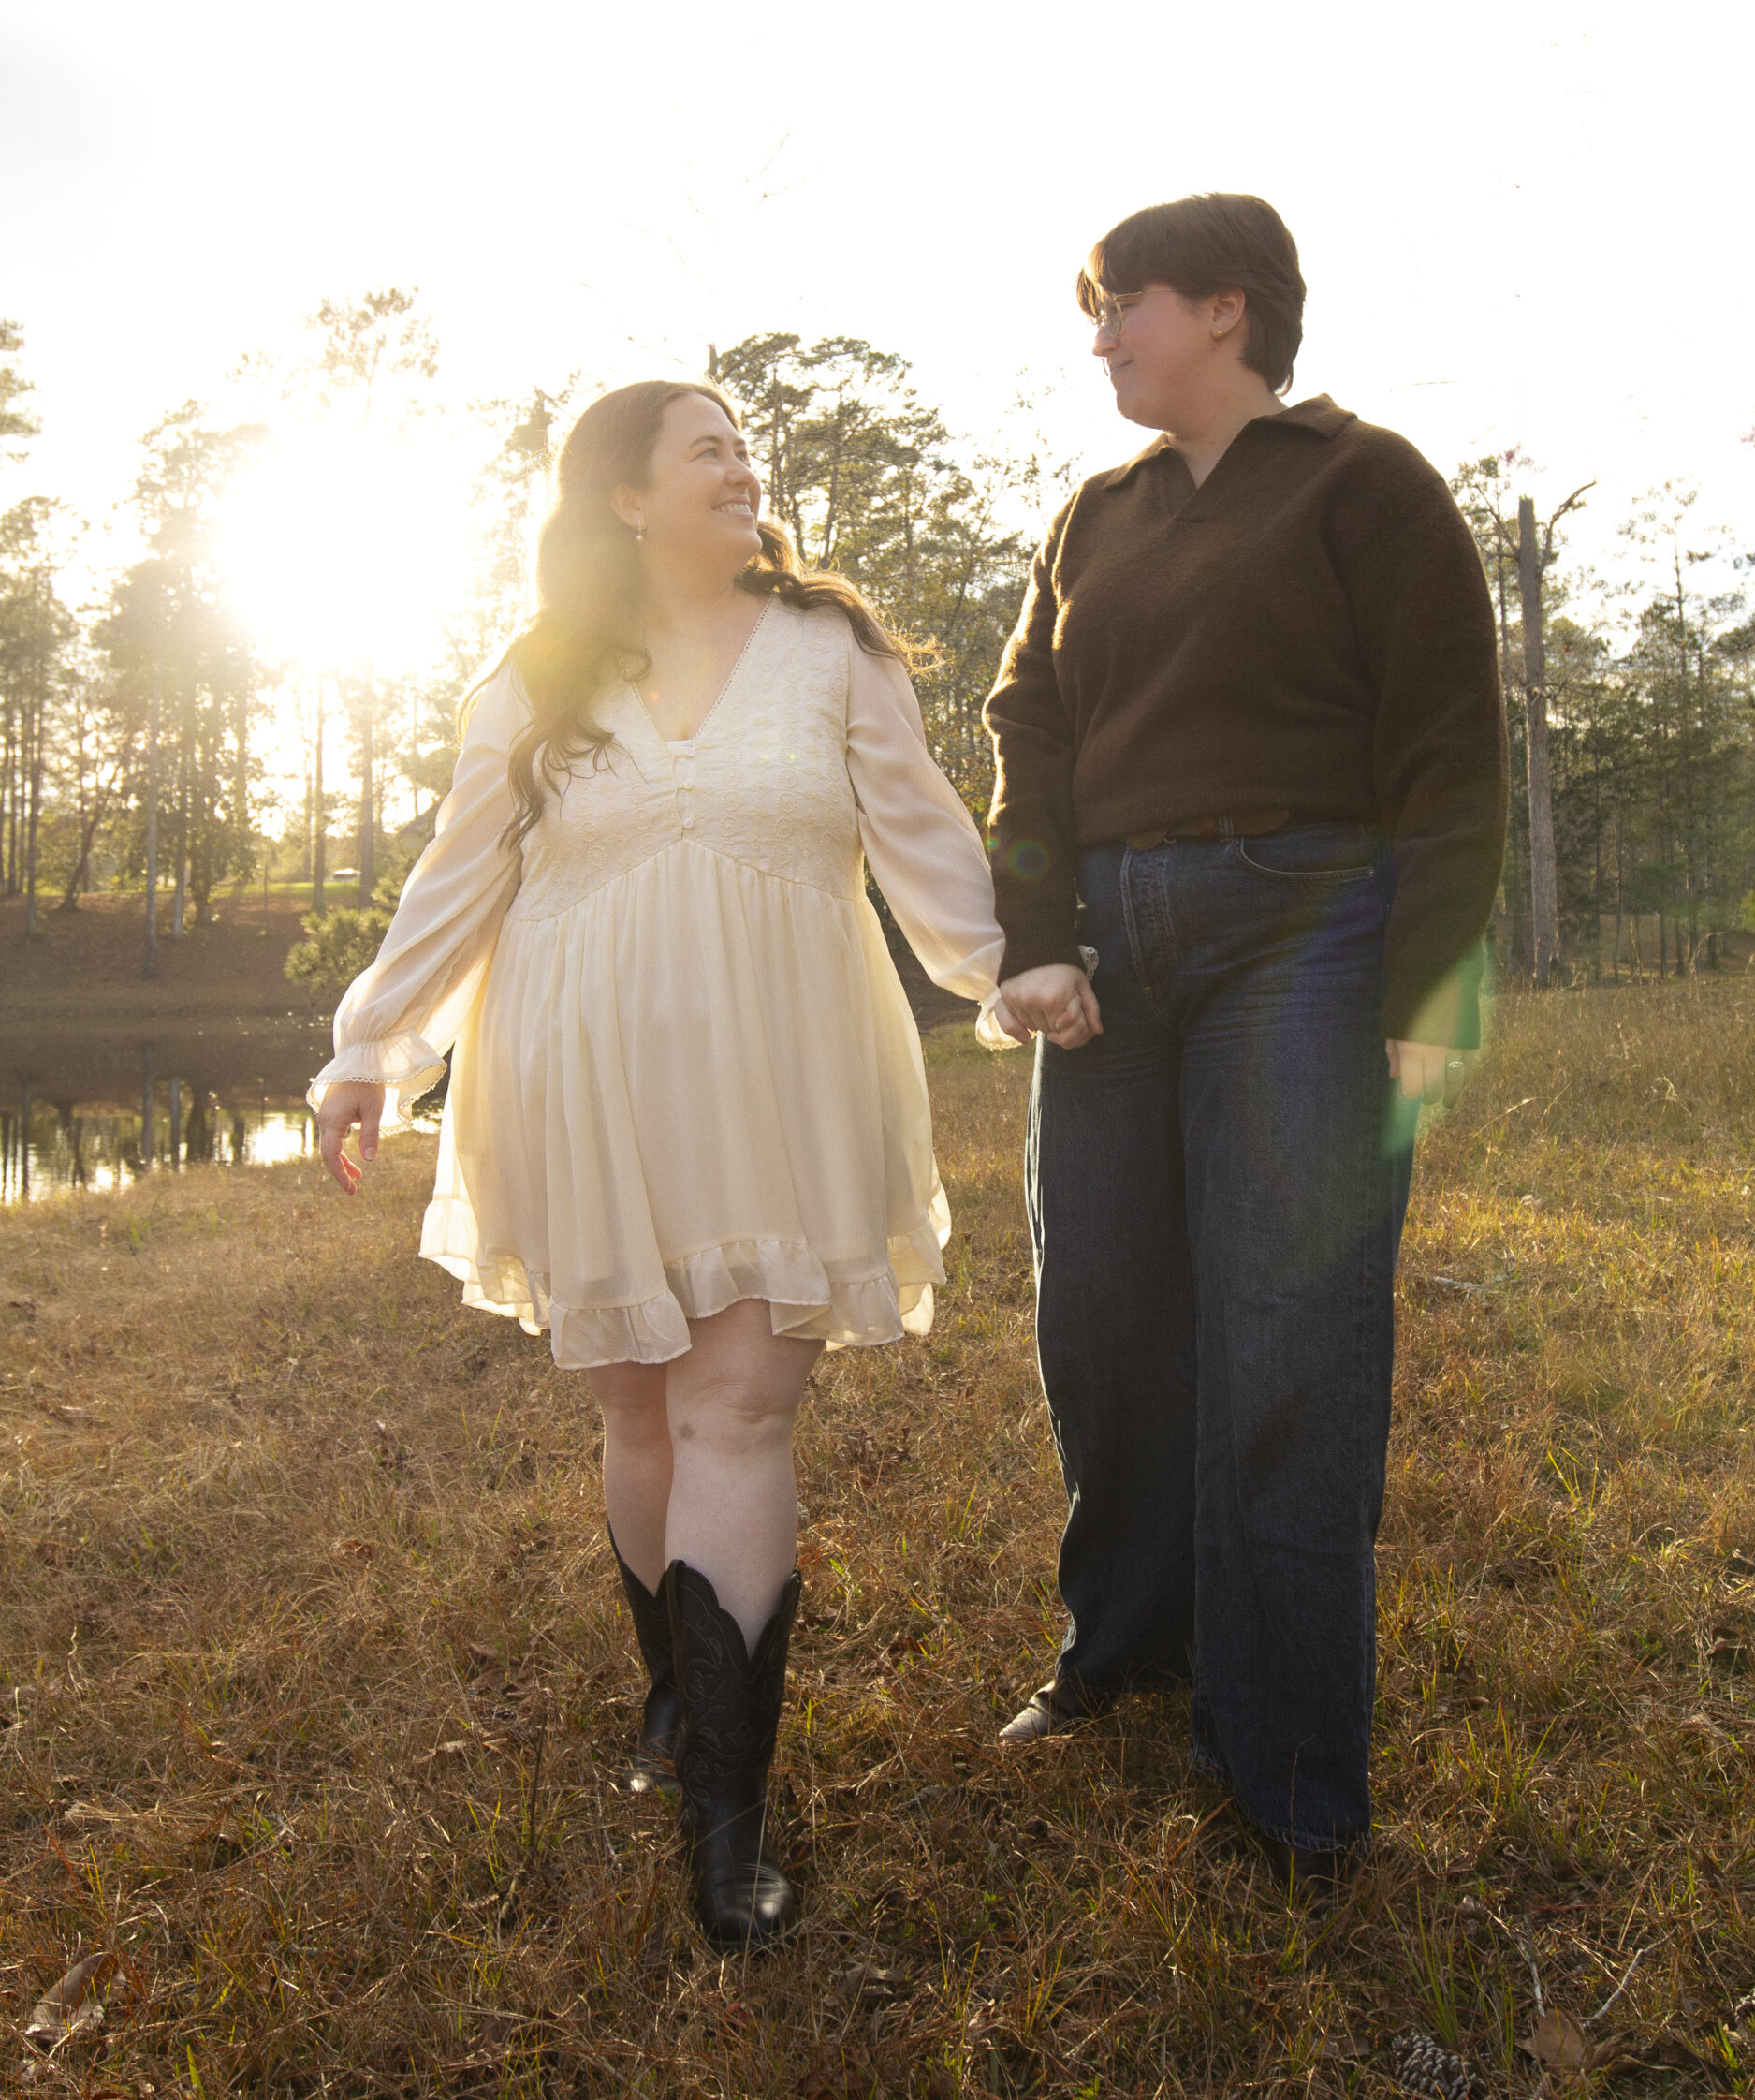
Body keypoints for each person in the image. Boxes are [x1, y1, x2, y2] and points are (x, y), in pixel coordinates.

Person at [311, 380, 1007, 1949]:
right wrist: (372, 1046)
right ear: (624, 496)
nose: (743, 471)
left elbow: (924, 838)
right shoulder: (539, 675)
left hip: (778, 1080)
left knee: (737, 1406)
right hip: (582, 1083)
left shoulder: (834, 650)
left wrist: (999, 969)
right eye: (709, 450)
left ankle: (727, 1821)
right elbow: (454, 882)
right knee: (640, 1407)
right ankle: (676, 1698)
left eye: (748, 450)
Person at [984, 194, 1506, 1901]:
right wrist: (1036, 939)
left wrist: (1431, 998)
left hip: (1306, 926)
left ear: (1222, 309)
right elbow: (1029, 726)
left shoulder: (1369, 486)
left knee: (1287, 1336)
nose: (1102, 339)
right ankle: (1124, 1649)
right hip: (1113, 953)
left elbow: (1446, 746)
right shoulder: (1097, 514)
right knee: (1105, 1314)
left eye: (1119, 307)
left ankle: (1287, 1775)